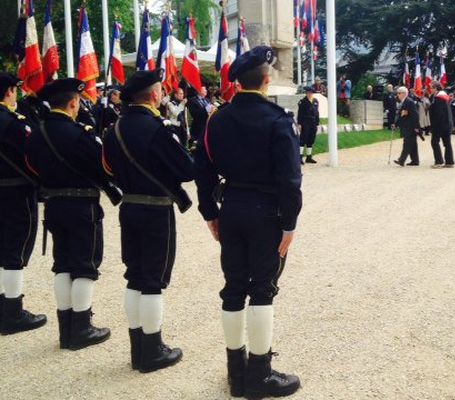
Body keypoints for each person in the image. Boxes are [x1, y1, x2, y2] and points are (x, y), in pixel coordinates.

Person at [195, 46, 302, 399]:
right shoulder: (277, 120)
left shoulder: (217, 119)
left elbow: (204, 169)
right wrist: (290, 223)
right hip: (266, 212)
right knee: (262, 288)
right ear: (266, 81)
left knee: (233, 287)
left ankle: (236, 374)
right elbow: (289, 179)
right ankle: (259, 374)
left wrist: (210, 212)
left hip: (232, 208)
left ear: (237, 83)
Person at [103, 70, 194, 373]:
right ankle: (152, 350)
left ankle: (137, 349)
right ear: (154, 95)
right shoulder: (157, 128)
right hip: (155, 210)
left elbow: (108, 168)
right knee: (153, 280)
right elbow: (185, 169)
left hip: (129, 207)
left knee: (135, 276)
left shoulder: (114, 128)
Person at [25, 78, 122, 349]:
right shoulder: (80, 134)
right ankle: (81, 328)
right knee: (84, 265)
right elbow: (104, 167)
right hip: (82, 207)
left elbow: (30, 165)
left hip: (54, 205)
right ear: (72, 103)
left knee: (62, 264)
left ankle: (65, 328)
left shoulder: (38, 132)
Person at [0, 73, 46, 335]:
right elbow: (32, 157)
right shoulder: (14, 123)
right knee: (14, 252)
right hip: (15, 192)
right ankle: (13, 313)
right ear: (8, 91)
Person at [429, 81, 454, 168]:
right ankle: (449, 162)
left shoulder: (439, 98)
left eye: (431, 88)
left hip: (439, 125)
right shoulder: (444, 97)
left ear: (436, 88)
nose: (430, 89)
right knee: (447, 143)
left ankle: (439, 161)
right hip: (447, 124)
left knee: (434, 142)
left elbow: (438, 114)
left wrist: (434, 126)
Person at [393, 86, 420, 167]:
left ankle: (401, 160)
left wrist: (416, 126)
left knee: (407, 143)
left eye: (399, 93)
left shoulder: (409, 102)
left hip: (410, 126)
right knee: (413, 144)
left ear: (404, 94)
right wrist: (396, 123)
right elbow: (401, 114)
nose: (397, 95)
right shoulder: (405, 102)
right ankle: (415, 160)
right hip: (407, 126)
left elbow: (415, 115)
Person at [298, 86, 320, 164]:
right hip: (305, 122)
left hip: (313, 122)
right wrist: (299, 124)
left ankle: (309, 157)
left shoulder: (315, 101)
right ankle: (299, 157)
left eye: (310, 92)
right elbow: (300, 113)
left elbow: (317, 113)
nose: (309, 94)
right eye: (308, 92)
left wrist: (317, 123)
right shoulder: (302, 101)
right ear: (306, 93)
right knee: (303, 139)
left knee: (311, 139)